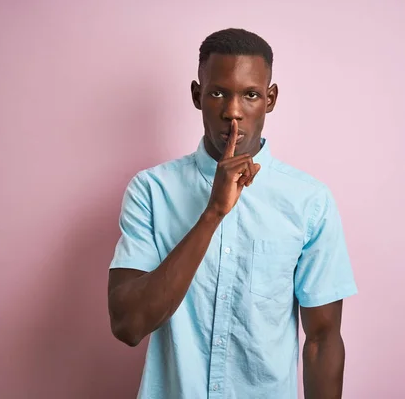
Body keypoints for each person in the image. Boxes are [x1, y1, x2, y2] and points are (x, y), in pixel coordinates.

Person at [107, 28, 358, 399]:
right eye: (218, 93)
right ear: (197, 95)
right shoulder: (151, 191)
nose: (233, 112)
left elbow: (322, 339)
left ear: (270, 99)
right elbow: (128, 325)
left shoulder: (309, 201)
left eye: (251, 95)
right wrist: (213, 213)